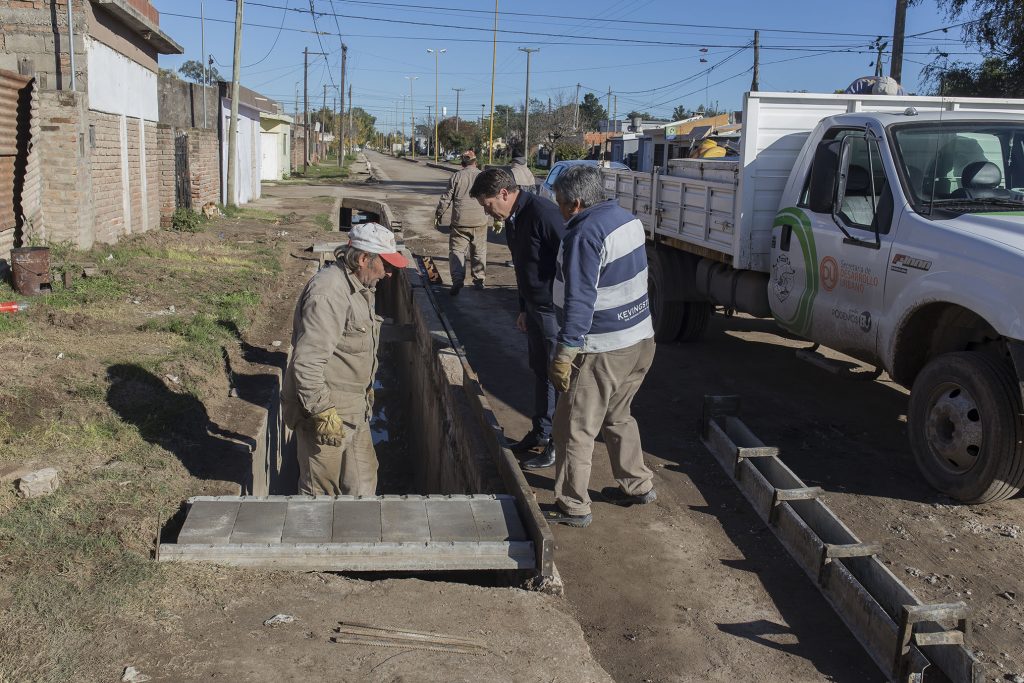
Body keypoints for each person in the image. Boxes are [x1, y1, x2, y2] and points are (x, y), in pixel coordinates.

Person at [546, 165, 657, 528]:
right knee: (619, 414)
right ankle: (637, 484)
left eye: (561, 203)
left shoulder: (583, 235)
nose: (559, 209)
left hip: (603, 347)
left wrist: (565, 351)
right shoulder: (626, 219)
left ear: (577, 203)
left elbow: (580, 300)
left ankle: (573, 504)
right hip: (640, 340)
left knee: (573, 426)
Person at [281, 222, 408, 496]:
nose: (389, 274)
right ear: (363, 259)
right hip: (328, 414)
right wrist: (322, 412)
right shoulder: (329, 293)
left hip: (355, 412)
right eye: (386, 265)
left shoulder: (360, 287)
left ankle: (358, 538)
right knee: (321, 495)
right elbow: (307, 362)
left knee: (363, 488)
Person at [470, 167, 565, 469]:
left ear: (504, 194)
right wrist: (523, 308)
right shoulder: (512, 218)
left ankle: (558, 444)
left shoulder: (544, 214)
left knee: (560, 378)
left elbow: (572, 263)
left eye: (488, 205)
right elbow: (524, 267)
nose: (488, 213)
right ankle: (541, 432)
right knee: (541, 371)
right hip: (535, 308)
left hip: (554, 310)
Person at [435, 150, 489, 295]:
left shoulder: (457, 176)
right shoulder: (483, 176)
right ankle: (479, 280)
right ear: (476, 162)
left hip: (460, 222)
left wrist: (439, 214)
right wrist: (498, 219)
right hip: (480, 221)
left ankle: (458, 280)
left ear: (462, 164)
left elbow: (446, 198)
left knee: (457, 251)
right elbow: (492, 197)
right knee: (479, 251)